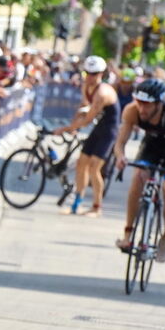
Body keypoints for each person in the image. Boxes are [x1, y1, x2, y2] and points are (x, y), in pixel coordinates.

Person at [113, 78, 165, 263]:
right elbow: (120, 143)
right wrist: (120, 156)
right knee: (138, 177)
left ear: (159, 104)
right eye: (140, 103)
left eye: (147, 105)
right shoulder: (131, 111)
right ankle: (128, 233)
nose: (142, 109)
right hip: (151, 148)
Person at [55, 55, 118, 216]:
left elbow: (88, 119)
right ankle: (77, 203)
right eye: (87, 73)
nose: (90, 77)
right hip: (99, 128)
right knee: (81, 163)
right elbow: (84, 107)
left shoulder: (102, 93)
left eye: (94, 74)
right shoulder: (86, 86)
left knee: (94, 167)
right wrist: (75, 123)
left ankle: (97, 207)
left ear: (101, 74)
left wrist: (66, 128)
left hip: (109, 130)